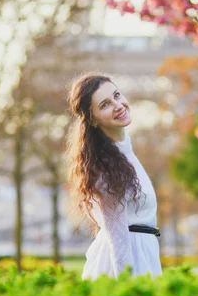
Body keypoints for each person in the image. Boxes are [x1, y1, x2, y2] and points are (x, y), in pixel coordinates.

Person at [66, 72, 162, 280]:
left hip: (142, 255)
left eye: (117, 95)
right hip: (123, 265)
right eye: (105, 105)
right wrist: (126, 287)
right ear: (92, 120)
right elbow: (118, 240)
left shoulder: (123, 154)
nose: (118, 105)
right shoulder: (105, 168)